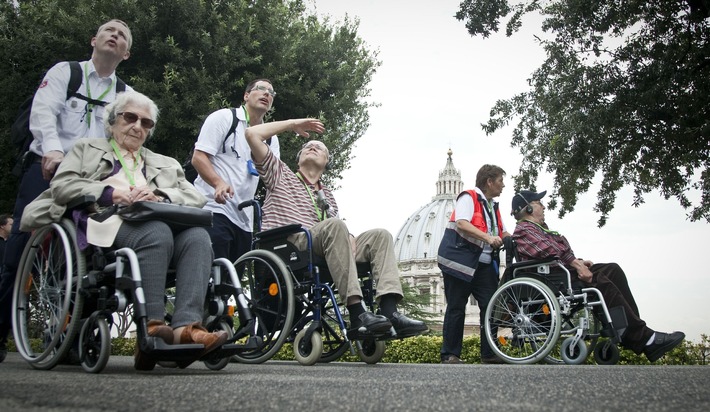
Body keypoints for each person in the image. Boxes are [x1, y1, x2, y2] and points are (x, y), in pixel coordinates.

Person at [19, 91, 228, 370]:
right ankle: (152, 327)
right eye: (130, 118)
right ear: (112, 121)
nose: (138, 126)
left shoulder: (165, 163)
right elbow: (61, 186)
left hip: (156, 221)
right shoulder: (85, 149)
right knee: (157, 232)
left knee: (198, 237)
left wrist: (159, 195)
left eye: (146, 123)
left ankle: (186, 328)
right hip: (106, 224)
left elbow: (196, 197)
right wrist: (111, 193)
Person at [0, 19, 134, 363]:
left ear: (126, 53)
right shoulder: (66, 72)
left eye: (122, 36)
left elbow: (122, 142)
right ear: (94, 39)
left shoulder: (125, 95)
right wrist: (52, 149)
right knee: (19, 248)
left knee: (84, 255)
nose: (114, 35)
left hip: (88, 180)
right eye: (108, 30)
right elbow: (44, 111)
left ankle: (66, 337)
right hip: (46, 166)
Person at [244, 119, 428, 339]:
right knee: (336, 226)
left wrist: (349, 235)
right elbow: (252, 134)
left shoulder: (327, 195)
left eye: (320, 148)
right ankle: (357, 312)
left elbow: (334, 226)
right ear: (299, 159)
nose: (313, 147)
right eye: (308, 147)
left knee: (380, 235)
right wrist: (293, 124)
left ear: (326, 162)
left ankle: (390, 311)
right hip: (291, 243)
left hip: (324, 243)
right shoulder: (281, 175)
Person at [511, 189, 685, 362]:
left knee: (612, 270)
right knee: (598, 282)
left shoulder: (540, 229)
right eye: (539, 203)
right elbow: (548, 251)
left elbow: (557, 252)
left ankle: (632, 331)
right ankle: (646, 339)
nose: (544, 206)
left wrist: (578, 262)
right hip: (553, 280)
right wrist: (576, 264)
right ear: (528, 209)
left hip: (561, 273)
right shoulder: (524, 229)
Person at [191, 79, 280, 262]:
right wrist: (218, 182)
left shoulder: (271, 139)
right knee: (212, 273)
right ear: (246, 95)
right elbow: (198, 157)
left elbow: (273, 179)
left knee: (232, 282)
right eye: (261, 89)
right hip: (213, 209)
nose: (266, 94)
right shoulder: (225, 118)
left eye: (271, 93)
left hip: (244, 220)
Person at [437, 164, 511, 364]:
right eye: (500, 181)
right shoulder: (468, 197)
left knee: (490, 306)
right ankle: (450, 354)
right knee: (456, 307)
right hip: (460, 262)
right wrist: (488, 238)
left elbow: (502, 231)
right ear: (489, 182)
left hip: (483, 264)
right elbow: (462, 223)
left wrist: (516, 238)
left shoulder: (492, 206)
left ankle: (489, 352)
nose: (503, 186)